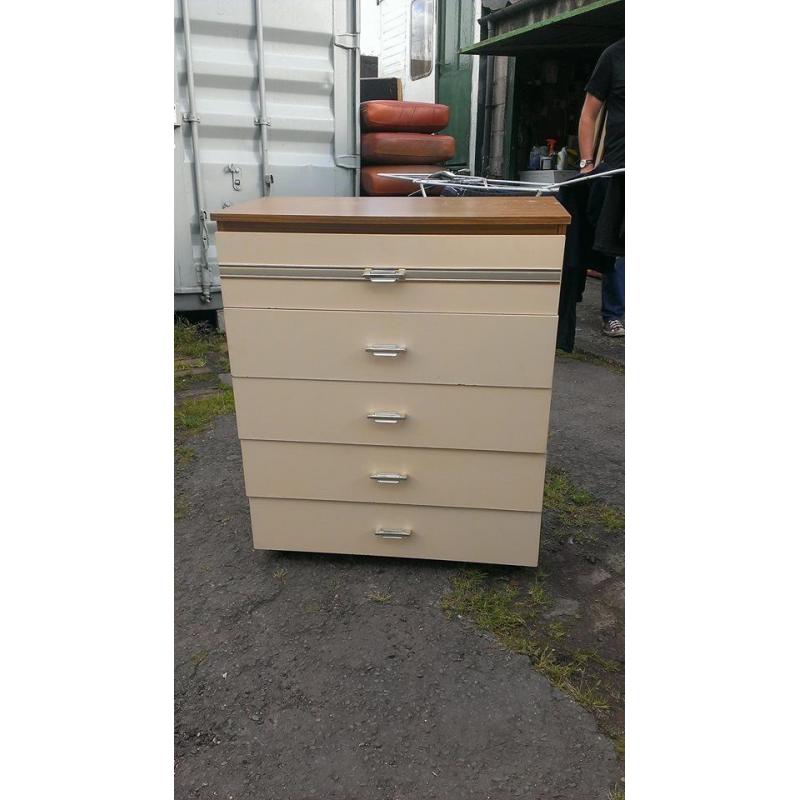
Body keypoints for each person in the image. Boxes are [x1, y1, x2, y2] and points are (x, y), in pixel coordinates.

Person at [578, 39, 625, 337]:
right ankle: (615, 314)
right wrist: (587, 163)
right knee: (617, 245)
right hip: (622, 167)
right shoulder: (616, 55)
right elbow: (589, 114)